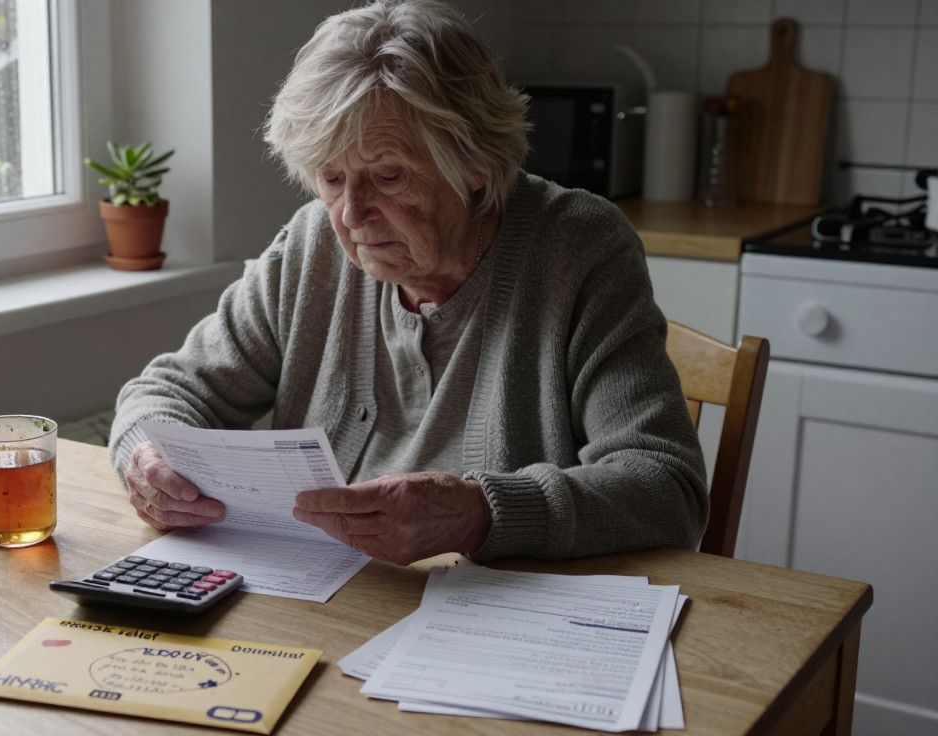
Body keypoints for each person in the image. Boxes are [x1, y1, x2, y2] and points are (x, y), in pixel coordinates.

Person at [108, 0, 707, 564]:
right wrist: (146, 457)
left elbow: (666, 488)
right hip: (325, 601)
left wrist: (480, 513)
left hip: (495, 621)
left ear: (474, 167)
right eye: (332, 178)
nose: (350, 214)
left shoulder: (578, 249)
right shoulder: (313, 243)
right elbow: (165, 390)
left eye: (388, 175)